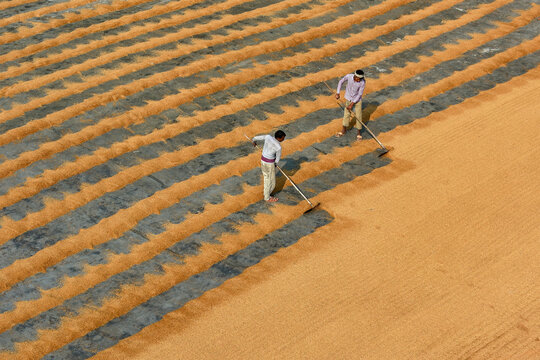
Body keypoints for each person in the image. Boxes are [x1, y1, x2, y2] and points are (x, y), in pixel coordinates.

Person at [251, 130, 286, 202]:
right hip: (270, 164)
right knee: (271, 182)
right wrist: (275, 164)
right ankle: (267, 197)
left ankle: (266, 193)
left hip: (263, 161)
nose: (284, 139)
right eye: (283, 138)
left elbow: (257, 138)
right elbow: (277, 158)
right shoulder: (278, 147)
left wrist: (253, 140)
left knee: (266, 178)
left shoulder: (268, 137)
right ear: (279, 138)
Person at [335, 69, 366, 140]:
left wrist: (352, 104)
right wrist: (338, 93)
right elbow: (341, 82)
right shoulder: (349, 76)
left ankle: (359, 133)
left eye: (360, 79)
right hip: (348, 98)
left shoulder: (363, 82)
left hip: (357, 100)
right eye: (358, 79)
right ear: (355, 76)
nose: (359, 80)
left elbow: (360, 94)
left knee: (358, 116)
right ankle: (343, 130)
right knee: (346, 114)